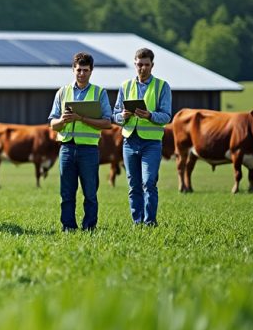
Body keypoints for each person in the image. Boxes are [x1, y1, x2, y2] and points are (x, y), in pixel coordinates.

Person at [48, 52, 113, 232]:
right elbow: (53, 124)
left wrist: (81, 118)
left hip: (89, 150)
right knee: (66, 193)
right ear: (73, 70)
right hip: (67, 149)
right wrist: (63, 120)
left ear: (91, 71)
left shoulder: (99, 93)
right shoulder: (62, 92)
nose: (81, 73)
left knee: (90, 193)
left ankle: (89, 227)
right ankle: (68, 227)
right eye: (78, 70)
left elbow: (108, 122)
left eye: (85, 70)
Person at [113, 47, 172, 226]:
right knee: (134, 185)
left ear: (152, 65)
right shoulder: (125, 86)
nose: (142, 68)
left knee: (149, 182)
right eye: (139, 64)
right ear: (134, 64)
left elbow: (167, 116)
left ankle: (150, 222)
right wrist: (122, 117)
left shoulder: (162, 86)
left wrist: (149, 115)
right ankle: (137, 222)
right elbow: (114, 115)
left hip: (151, 143)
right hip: (129, 141)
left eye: (146, 65)